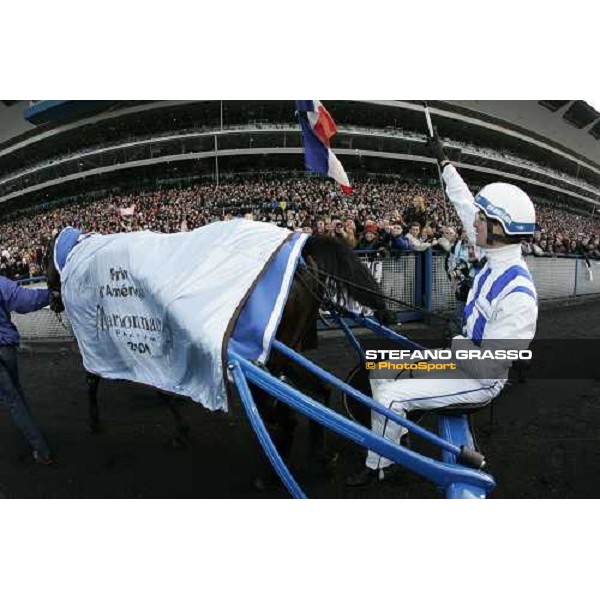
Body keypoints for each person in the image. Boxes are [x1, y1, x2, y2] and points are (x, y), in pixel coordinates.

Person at [347, 130, 538, 486]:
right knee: (379, 369)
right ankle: (394, 439)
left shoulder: (518, 294)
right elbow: (464, 202)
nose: (473, 222)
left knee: (388, 396)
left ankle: (378, 468)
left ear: (499, 229)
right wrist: (444, 161)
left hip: (480, 381)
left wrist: (457, 342)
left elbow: (491, 368)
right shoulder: (490, 249)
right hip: (461, 362)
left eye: (482, 219)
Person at [0, 276, 54, 464]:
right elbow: (25, 300)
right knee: (15, 395)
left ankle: (41, 449)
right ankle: (35, 438)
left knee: (13, 399)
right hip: (6, 347)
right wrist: (52, 295)